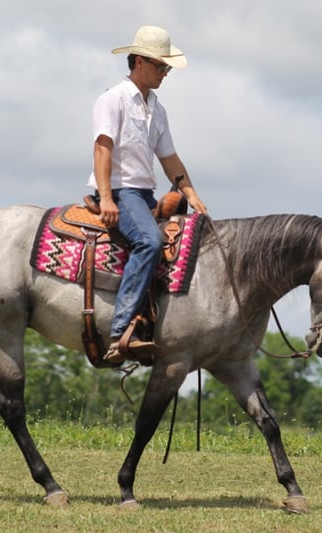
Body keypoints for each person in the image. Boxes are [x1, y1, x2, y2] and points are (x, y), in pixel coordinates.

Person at [87, 25, 208, 363]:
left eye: (167, 68)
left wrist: (191, 193)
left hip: (144, 196)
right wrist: (107, 197)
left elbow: (168, 158)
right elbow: (102, 148)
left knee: (186, 244)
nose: (165, 73)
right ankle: (120, 331)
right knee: (150, 242)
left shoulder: (158, 108)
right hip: (121, 192)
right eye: (160, 66)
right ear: (139, 61)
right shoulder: (112, 100)